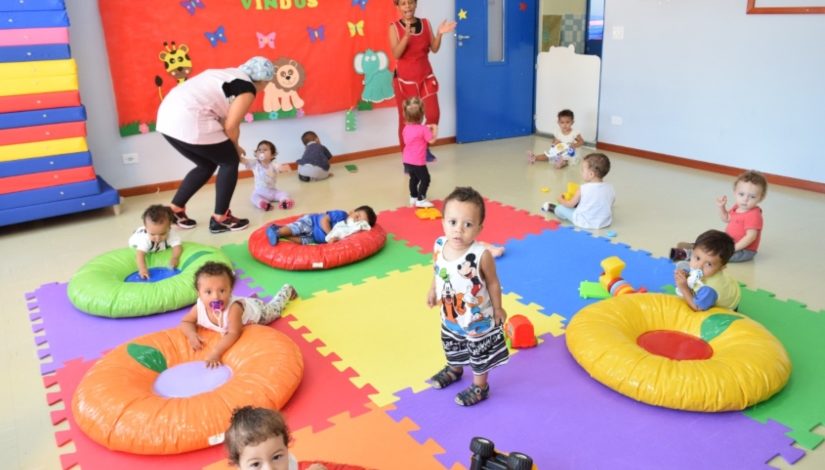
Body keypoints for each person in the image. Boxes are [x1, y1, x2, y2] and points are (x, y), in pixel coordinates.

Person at [156, 56, 276, 234]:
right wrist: (235, 148)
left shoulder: (227, 74)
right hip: (189, 119)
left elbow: (221, 115)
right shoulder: (247, 88)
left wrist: (232, 145)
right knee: (229, 161)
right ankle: (221, 218)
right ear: (264, 81)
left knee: (207, 164)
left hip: (166, 119)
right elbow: (231, 125)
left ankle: (175, 210)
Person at [426, 187, 509, 406]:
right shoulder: (439, 245)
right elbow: (437, 269)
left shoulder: (481, 255)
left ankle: (481, 387)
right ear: (443, 222)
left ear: (479, 228)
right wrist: (433, 289)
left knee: (478, 352)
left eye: (468, 225)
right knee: (452, 343)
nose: (458, 230)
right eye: (452, 222)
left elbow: (492, 282)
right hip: (451, 313)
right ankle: (455, 369)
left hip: (477, 318)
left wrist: (498, 308)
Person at [180, 262, 297, 368]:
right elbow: (186, 322)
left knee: (275, 310)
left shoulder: (233, 309)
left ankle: (287, 290)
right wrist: (191, 334)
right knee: (245, 304)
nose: (215, 297)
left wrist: (216, 353)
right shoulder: (199, 307)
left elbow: (233, 333)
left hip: (259, 313)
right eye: (208, 292)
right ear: (199, 294)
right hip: (245, 305)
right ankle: (250, 300)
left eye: (222, 291)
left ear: (230, 291)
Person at [389, 0, 456, 161]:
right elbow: (397, 54)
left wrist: (439, 33)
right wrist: (406, 36)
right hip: (404, 81)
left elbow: (434, 48)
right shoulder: (394, 27)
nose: (407, 7)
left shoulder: (425, 23)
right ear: (397, 7)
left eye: (410, 3)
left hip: (425, 76)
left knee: (433, 114)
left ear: (415, 4)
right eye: (403, 4)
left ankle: (423, 148)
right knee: (406, 120)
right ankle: (408, 156)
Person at [670, 170, 767, 263]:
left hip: (744, 250)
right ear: (735, 192)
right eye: (741, 194)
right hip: (728, 242)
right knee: (713, 238)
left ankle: (688, 254)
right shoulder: (737, 207)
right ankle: (698, 246)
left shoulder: (754, 215)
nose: (745, 199)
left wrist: (733, 249)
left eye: (752, 197)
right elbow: (726, 218)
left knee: (718, 256)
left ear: (760, 198)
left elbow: (751, 237)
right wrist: (722, 207)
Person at [225, 406, 327, 470]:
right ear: (240, 467)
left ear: (286, 449)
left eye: (276, 457)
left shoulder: (289, 463)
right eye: (255, 464)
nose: (270, 468)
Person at [541, 153, 615, 229]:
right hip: (604, 222)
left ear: (591, 174)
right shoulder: (610, 187)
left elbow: (570, 205)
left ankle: (553, 208)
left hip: (583, 222)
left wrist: (560, 199)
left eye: (582, 170)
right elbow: (610, 203)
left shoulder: (583, 188)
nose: (581, 172)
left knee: (560, 208)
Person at [674, 229, 741, 311]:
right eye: (698, 258)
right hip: (729, 286)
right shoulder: (706, 270)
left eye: (709, 264)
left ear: (722, 267)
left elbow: (697, 308)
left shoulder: (710, 289)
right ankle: (691, 252)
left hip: (728, 307)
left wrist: (684, 288)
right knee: (682, 265)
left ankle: (690, 253)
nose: (699, 267)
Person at [266, 206, 377, 246]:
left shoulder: (348, 231)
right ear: (352, 211)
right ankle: (277, 232)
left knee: (302, 241)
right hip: (311, 222)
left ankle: (281, 235)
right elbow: (324, 220)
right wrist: (330, 234)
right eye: (357, 216)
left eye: (359, 222)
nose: (356, 220)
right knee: (296, 228)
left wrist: (333, 240)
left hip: (315, 238)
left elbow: (337, 240)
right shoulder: (342, 215)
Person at [129, 205, 182, 279]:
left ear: (169, 227)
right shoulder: (145, 239)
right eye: (153, 234)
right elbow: (139, 255)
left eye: (162, 234)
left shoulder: (171, 233)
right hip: (136, 239)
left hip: (153, 238)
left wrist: (175, 257)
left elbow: (177, 247)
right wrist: (143, 269)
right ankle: (139, 230)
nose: (158, 238)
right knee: (144, 242)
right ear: (146, 228)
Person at [401, 97, 437, 208]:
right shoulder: (423, 129)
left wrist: (425, 128)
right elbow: (432, 140)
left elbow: (411, 138)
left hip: (407, 160)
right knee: (426, 178)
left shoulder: (406, 128)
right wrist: (435, 128)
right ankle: (421, 199)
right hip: (418, 161)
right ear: (422, 116)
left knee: (414, 178)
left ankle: (413, 197)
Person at [244, 140, 294, 211]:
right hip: (259, 192)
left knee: (284, 194)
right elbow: (244, 161)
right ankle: (263, 204)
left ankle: (285, 201)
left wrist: (283, 168)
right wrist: (237, 154)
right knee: (253, 197)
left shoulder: (273, 164)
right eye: (259, 150)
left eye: (265, 150)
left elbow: (279, 167)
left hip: (272, 191)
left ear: (272, 155)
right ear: (256, 153)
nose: (261, 152)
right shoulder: (255, 163)